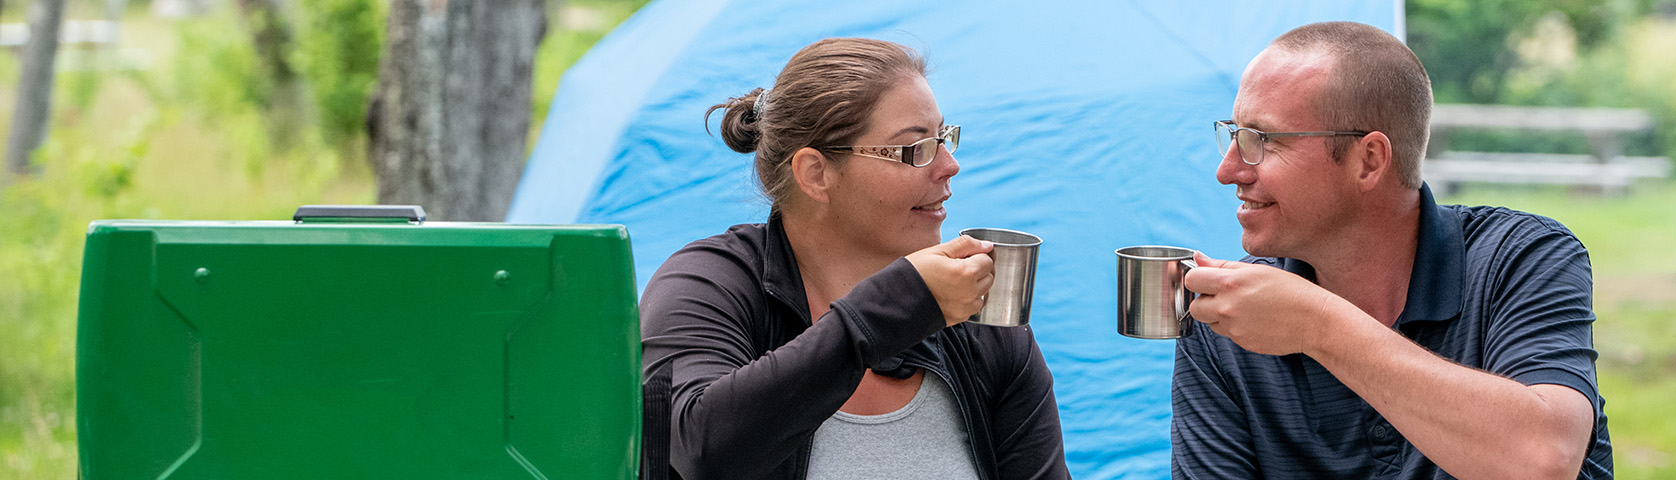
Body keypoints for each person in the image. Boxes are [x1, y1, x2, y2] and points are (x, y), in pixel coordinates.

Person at [1170, 22, 1613, 479]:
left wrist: (1315, 325)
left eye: (1262, 141)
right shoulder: (1228, 321)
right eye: (1235, 135)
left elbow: (1544, 461)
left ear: (1369, 161)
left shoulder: (1521, 257)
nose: (1228, 171)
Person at [639, 38, 1071, 480]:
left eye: (944, 137)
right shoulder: (708, 285)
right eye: (915, 148)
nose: (949, 165)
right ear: (816, 174)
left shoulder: (977, 324)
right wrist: (898, 306)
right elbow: (700, 451)